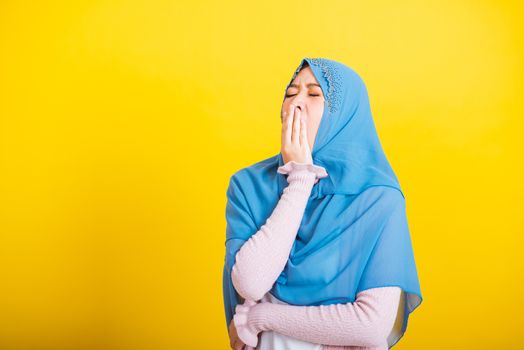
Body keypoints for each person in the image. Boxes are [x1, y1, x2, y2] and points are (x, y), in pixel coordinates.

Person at [222, 57, 423, 350]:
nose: (296, 103)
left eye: (314, 94)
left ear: (344, 116)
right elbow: (251, 283)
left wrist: (261, 316)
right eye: (290, 94)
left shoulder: (379, 199)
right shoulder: (248, 185)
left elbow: (370, 326)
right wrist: (300, 180)